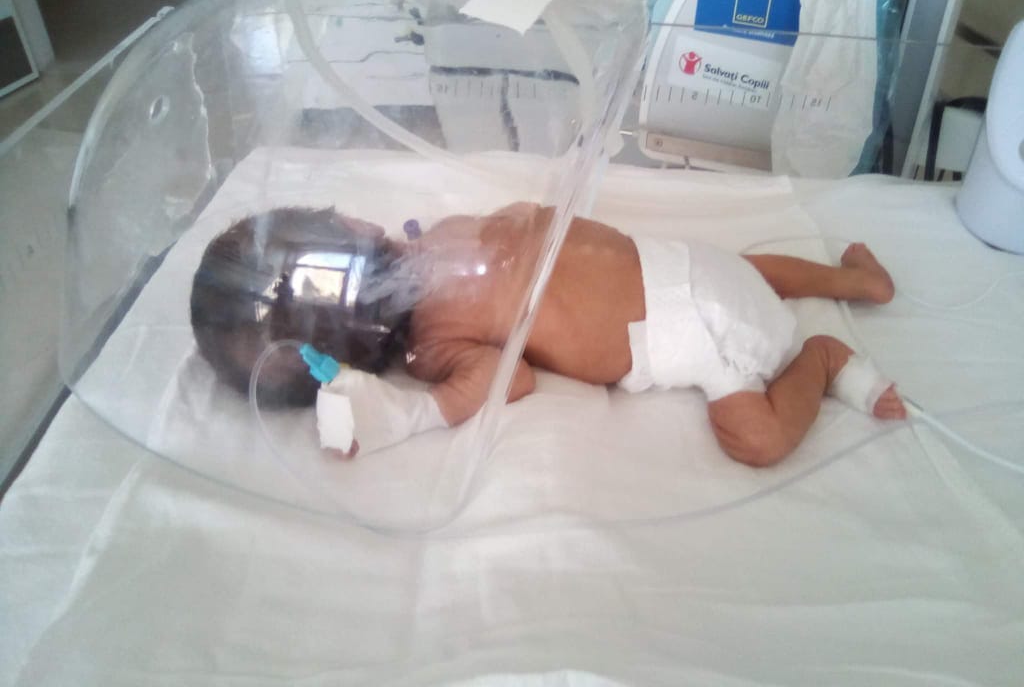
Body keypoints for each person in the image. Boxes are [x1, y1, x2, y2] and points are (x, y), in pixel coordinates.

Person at [191, 204, 905, 467]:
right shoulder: (445, 241)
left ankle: (821, 359)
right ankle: (856, 284)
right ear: (350, 226)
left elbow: (511, 377)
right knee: (751, 273)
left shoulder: (430, 344)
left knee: (758, 441)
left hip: (696, 327)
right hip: (690, 275)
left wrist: (414, 413)